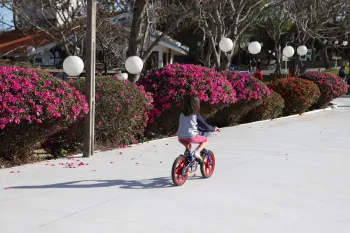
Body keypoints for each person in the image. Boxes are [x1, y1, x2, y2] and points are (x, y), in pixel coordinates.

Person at [177, 95, 219, 162]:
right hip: (191, 136)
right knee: (205, 140)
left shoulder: (182, 114)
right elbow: (205, 126)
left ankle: (185, 162)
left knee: (188, 146)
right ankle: (197, 152)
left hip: (180, 137)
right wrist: (213, 129)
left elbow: (187, 124)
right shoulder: (195, 115)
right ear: (196, 104)